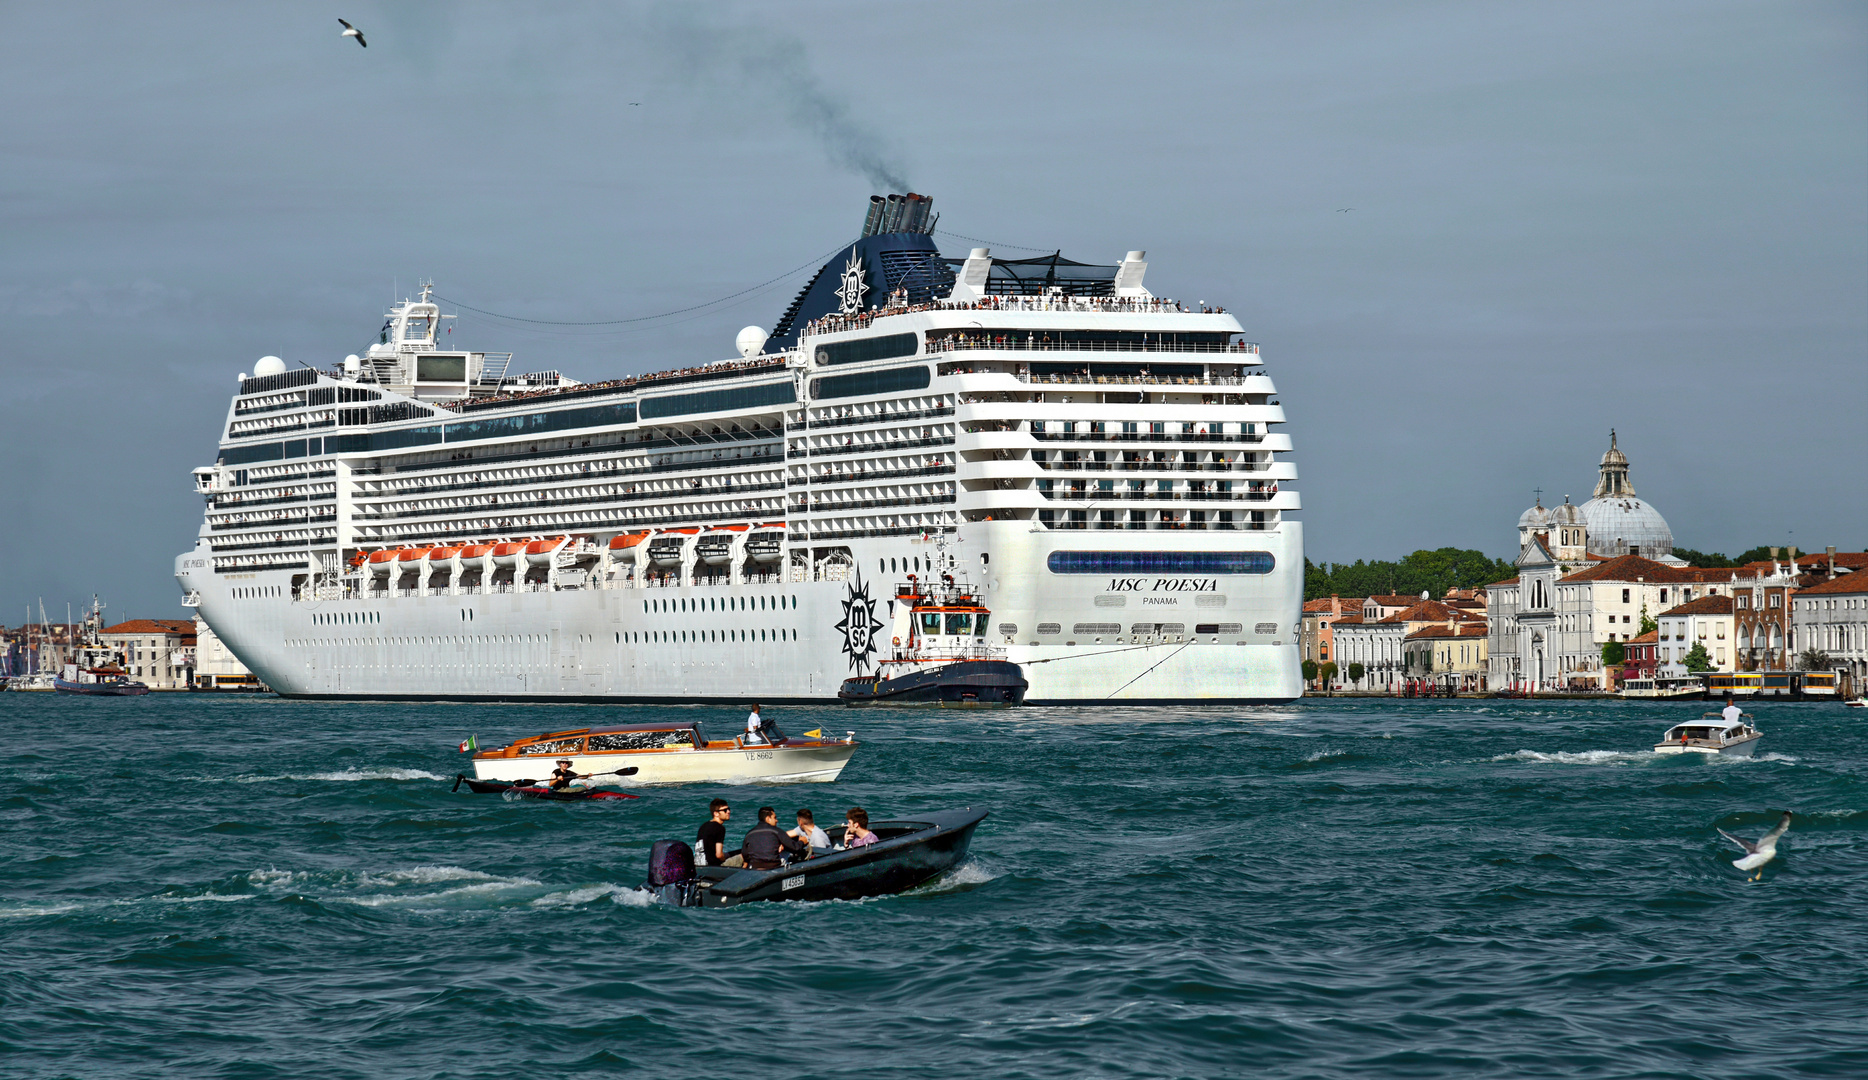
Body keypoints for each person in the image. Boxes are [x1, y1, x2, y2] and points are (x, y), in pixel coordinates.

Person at [741, 806, 808, 870]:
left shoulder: (749, 834)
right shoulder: (776, 831)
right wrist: (802, 841)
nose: (777, 820)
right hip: (773, 866)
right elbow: (795, 848)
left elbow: (745, 854)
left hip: (755, 867)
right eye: (775, 818)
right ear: (768, 819)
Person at [696, 799, 731, 866]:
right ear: (716, 813)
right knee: (742, 856)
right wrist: (724, 860)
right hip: (714, 866)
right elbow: (719, 855)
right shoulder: (720, 828)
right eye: (725, 810)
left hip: (700, 864)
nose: (728, 812)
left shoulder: (703, 826)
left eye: (728, 809)